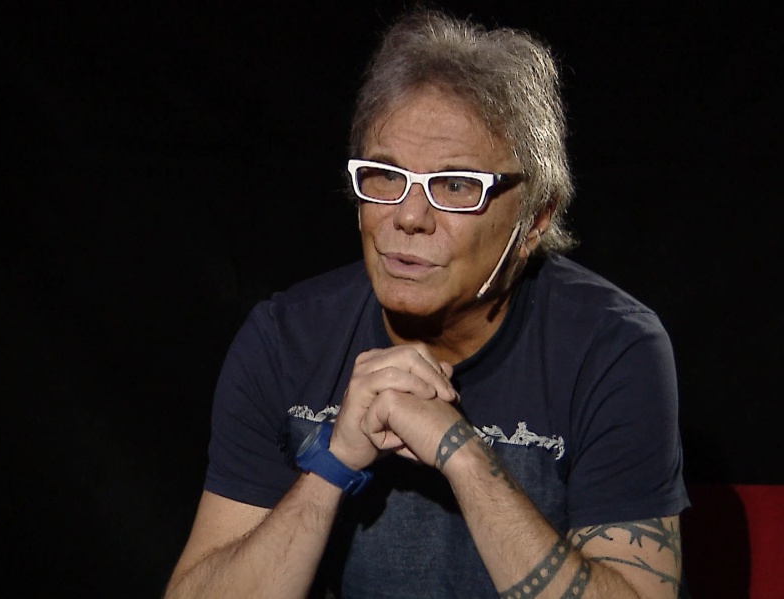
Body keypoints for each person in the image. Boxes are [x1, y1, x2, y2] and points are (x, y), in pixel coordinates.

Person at [165, 9, 689, 599]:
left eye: (457, 185)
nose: (409, 216)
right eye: (386, 176)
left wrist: (463, 456)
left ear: (536, 219)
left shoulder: (611, 348)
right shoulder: (286, 340)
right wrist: (332, 463)